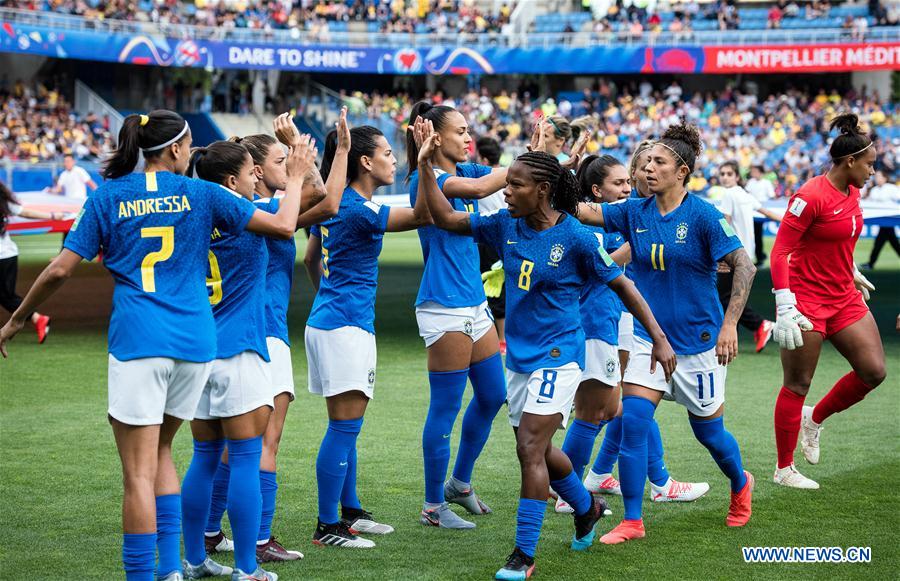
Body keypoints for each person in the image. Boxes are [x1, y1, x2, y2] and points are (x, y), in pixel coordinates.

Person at [0, 110, 310, 581]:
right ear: (175, 149)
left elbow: (61, 269)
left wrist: (18, 318)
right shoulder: (203, 192)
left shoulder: (107, 197)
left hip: (140, 341)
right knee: (165, 451)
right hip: (196, 344)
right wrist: (299, 173)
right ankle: (181, 568)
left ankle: (160, 570)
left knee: (140, 472)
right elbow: (286, 224)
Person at [422, 148, 676, 579]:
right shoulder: (505, 224)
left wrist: (660, 339)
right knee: (539, 450)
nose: (506, 191)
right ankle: (586, 507)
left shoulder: (576, 236)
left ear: (542, 190)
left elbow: (623, 286)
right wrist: (424, 168)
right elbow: (445, 218)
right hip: (520, 358)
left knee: (528, 448)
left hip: (560, 355)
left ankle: (523, 554)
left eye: (515, 184)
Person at [578, 121, 757, 544]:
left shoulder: (704, 215)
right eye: (647, 162)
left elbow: (745, 266)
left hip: (700, 346)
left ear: (682, 172)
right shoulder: (633, 211)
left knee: (710, 435)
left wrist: (730, 325)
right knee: (634, 422)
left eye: (659, 162)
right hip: (649, 340)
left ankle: (740, 482)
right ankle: (633, 521)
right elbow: (583, 211)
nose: (647, 169)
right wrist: (561, 168)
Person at [201, 111, 342, 564]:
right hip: (261, 336)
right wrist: (306, 155)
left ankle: (209, 533)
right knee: (265, 443)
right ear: (256, 172)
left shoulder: (258, 211)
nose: (289, 166)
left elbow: (322, 202)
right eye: (280, 161)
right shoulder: (264, 212)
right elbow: (326, 197)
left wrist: (297, 159)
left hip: (228, 334)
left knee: (227, 449)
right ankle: (259, 540)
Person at [182, 137, 315, 581]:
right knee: (244, 458)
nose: (255, 177)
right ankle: (246, 568)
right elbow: (284, 224)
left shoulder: (193, 214)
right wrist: (296, 175)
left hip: (199, 350)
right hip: (240, 349)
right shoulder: (242, 212)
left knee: (203, 458)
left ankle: (195, 560)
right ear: (230, 180)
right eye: (249, 172)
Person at [303, 120, 431, 548]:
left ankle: (350, 511)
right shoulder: (358, 208)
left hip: (330, 321)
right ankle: (328, 526)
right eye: (388, 154)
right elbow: (424, 215)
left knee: (346, 426)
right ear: (365, 161)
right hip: (345, 327)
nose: (393, 160)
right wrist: (424, 162)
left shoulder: (335, 201)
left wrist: (329, 297)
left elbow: (311, 258)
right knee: (344, 428)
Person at [561, 154, 709, 514]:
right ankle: (568, 492)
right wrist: (637, 246)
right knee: (593, 411)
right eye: (619, 183)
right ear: (597, 191)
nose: (628, 188)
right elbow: (601, 268)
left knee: (626, 406)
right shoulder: (591, 227)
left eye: (629, 181)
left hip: (618, 320)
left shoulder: (625, 218)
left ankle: (611, 478)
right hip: (596, 322)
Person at [405, 102, 509, 529]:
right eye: (461, 131)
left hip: (473, 301)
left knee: (493, 395)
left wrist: (542, 157)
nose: (469, 138)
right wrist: (529, 162)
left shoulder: (464, 170)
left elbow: (489, 179)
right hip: (443, 305)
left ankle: (459, 484)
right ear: (436, 137)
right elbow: (483, 189)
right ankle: (433, 506)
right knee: (445, 408)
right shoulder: (426, 177)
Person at [770, 113, 886, 490]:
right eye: (869, 164)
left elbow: (840, 238)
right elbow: (780, 252)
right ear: (849, 161)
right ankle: (784, 468)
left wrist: (851, 269)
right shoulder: (809, 196)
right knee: (798, 383)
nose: (873, 171)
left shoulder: (853, 191)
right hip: (806, 300)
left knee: (873, 371)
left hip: (843, 296)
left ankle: (814, 419)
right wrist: (784, 306)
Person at [717, 160, 782, 353]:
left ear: (737, 176)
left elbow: (725, 225)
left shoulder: (729, 194)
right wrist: (789, 222)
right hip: (746, 255)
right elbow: (767, 212)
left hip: (732, 254)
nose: (725, 177)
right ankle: (732, 340)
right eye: (722, 174)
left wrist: (719, 255)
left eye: (729, 174)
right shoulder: (744, 194)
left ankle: (760, 324)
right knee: (732, 296)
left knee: (725, 297)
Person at [1, 181, 54, 342]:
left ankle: (37, 318)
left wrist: (52, 216)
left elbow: (26, 212)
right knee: (6, 296)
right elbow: (25, 212)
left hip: (4, 256)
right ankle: (37, 319)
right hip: (7, 254)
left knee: (7, 296)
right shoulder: (3, 201)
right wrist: (52, 216)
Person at [475, 136, 508, 353]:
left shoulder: (482, 179)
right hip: (506, 236)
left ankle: (501, 339)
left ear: (484, 159)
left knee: (494, 289)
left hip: (489, 239)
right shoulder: (508, 174)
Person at [860, 170, 900, 269]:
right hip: (883, 221)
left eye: (879, 176)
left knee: (881, 242)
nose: (877, 179)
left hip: (889, 219)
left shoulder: (891, 188)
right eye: (876, 177)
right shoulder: (874, 190)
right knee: (891, 242)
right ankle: (870, 263)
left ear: (885, 178)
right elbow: (869, 203)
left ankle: (870, 264)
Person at [745, 165, 775, 265]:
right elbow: (746, 194)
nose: (753, 173)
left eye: (755, 171)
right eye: (752, 171)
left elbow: (772, 196)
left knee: (757, 235)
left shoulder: (766, 183)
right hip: (751, 212)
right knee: (752, 236)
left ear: (761, 173)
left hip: (761, 213)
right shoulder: (751, 182)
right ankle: (759, 256)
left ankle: (760, 257)